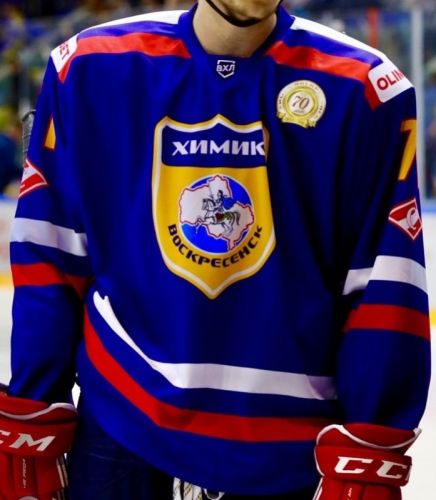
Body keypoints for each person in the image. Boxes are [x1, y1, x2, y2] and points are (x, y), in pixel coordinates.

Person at [0, 1, 431, 499]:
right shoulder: (90, 67)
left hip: (288, 453)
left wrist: (370, 446)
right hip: (123, 433)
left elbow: (384, 282)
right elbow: (51, 251)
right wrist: (33, 406)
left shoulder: (365, 88)